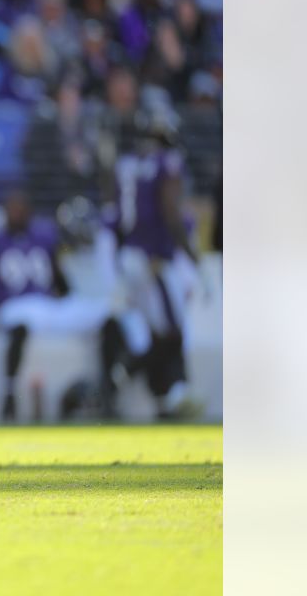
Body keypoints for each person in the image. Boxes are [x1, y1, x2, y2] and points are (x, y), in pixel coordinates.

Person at [0, 191, 133, 421]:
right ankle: (9, 396)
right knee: (19, 327)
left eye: (22, 207)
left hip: (48, 306)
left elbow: (59, 278)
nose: (18, 212)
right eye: (13, 207)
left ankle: (110, 387)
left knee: (108, 315)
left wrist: (68, 298)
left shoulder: (43, 236)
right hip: (14, 306)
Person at [111, 110, 201, 419]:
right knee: (173, 326)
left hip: (130, 253)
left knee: (158, 330)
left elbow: (122, 213)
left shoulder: (129, 164)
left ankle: (165, 396)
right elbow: (170, 211)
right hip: (153, 256)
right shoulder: (165, 163)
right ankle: (134, 372)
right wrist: (191, 253)